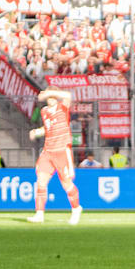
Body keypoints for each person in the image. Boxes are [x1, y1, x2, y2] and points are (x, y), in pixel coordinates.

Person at [27, 89, 82, 225]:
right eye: (48, 96)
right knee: (40, 181)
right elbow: (48, 128)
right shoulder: (44, 111)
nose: (50, 98)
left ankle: (76, 209)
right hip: (48, 151)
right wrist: (37, 132)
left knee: (66, 184)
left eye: (52, 96)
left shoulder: (62, 107)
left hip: (62, 150)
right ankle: (39, 214)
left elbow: (68, 95)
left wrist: (50, 92)